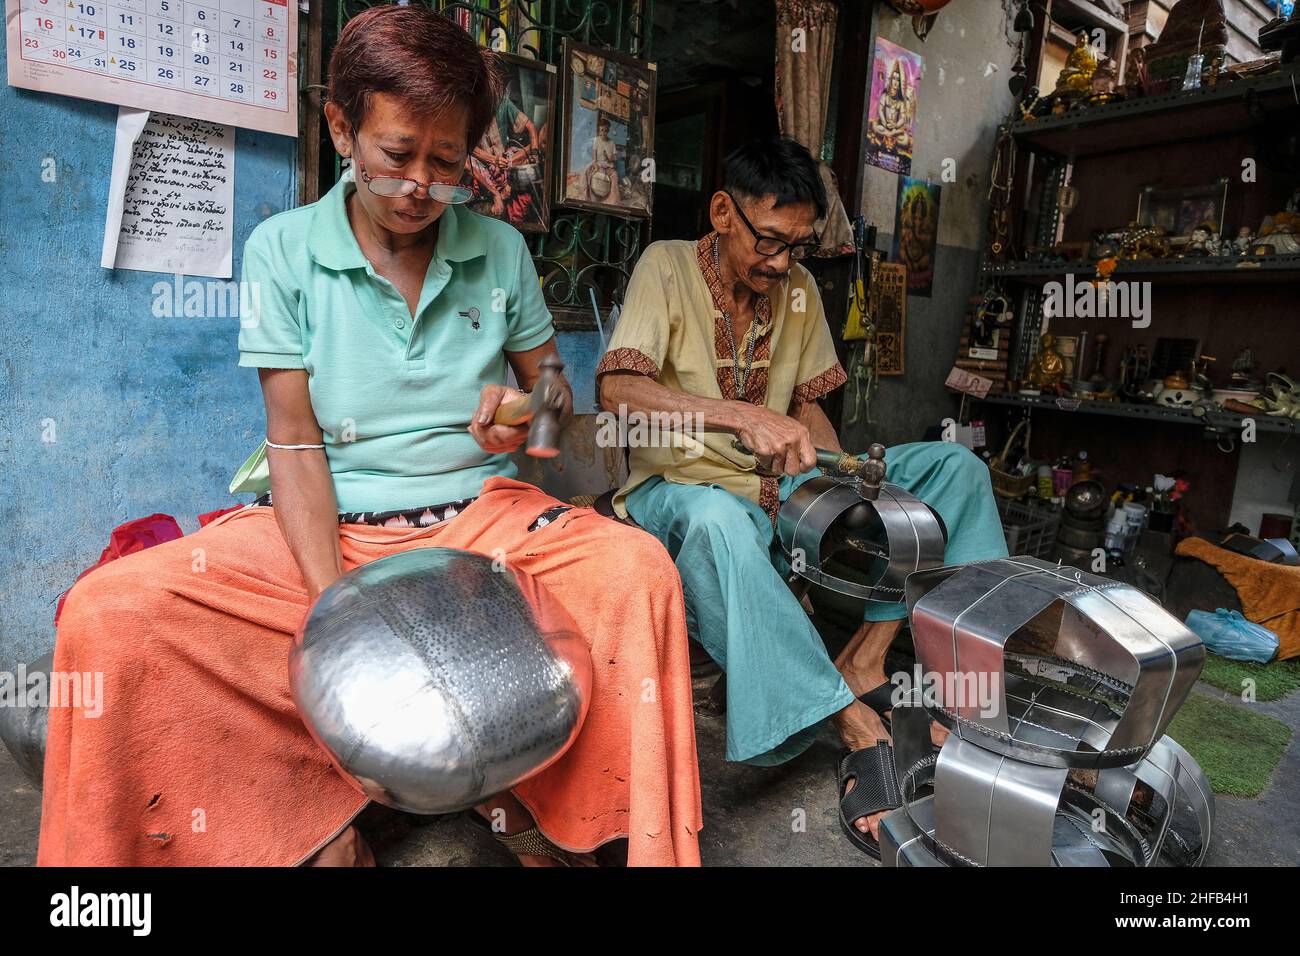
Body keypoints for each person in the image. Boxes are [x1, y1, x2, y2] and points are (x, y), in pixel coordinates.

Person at [38, 5, 702, 868]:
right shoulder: (284, 249)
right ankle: (264, 830)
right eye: (396, 156)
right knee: (108, 614)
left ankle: (587, 827)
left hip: (480, 521)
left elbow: (554, 403)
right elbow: (295, 443)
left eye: (448, 163)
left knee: (638, 571)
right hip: (325, 528)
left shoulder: (499, 250)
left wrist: (522, 418)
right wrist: (340, 607)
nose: (420, 186)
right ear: (341, 126)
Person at [596, 137, 1007, 858]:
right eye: (770, 241)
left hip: (779, 483)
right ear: (724, 212)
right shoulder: (666, 266)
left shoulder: (799, 290)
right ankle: (847, 720)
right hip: (680, 486)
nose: (782, 262)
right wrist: (740, 414)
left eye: (798, 247)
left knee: (954, 470)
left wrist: (842, 466)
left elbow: (808, 413)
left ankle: (905, 672)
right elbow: (618, 393)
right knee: (722, 521)